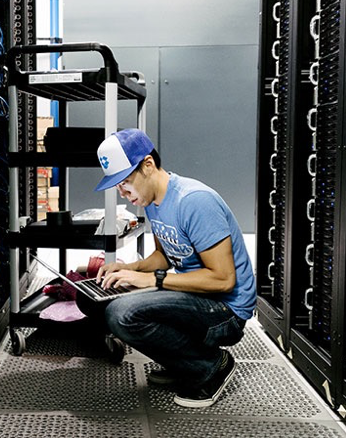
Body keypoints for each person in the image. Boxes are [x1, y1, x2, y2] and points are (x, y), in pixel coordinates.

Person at [93, 129, 256, 408]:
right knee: (97, 297)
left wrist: (152, 281)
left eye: (126, 182)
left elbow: (223, 280)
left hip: (226, 311)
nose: (123, 193)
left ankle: (210, 366)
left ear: (148, 165)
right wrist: (126, 269)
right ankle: (184, 362)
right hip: (197, 298)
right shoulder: (154, 202)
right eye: (117, 186)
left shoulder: (194, 201)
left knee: (122, 314)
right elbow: (163, 257)